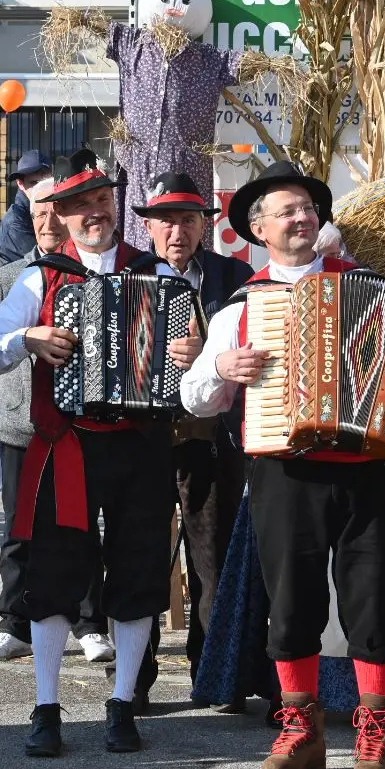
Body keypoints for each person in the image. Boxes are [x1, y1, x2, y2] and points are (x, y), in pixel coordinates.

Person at [180, 162, 385, 769]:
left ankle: (376, 732)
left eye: (307, 209)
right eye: (286, 211)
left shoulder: (370, 287)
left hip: (366, 467)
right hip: (284, 472)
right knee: (291, 604)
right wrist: (223, 368)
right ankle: (302, 730)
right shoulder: (241, 306)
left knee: (371, 600)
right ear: (258, 230)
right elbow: (196, 398)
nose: (300, 218)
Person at [0, 165, 200, 757]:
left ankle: (122, 703)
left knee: (138, 571)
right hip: (66, 442)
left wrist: (193, 352)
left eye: (103, 199)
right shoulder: (40, 277)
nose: (95, 212)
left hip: (140, 443)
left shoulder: (157, 274)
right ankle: (46, 707)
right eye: (81, 204)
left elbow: (196, 365)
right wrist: (29, 339)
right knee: (53, 574)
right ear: (61, 215)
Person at [0, 174, 114, 665]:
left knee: (82, 526)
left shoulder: (99, 272)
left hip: (75, 425)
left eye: (55, 213)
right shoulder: (13, 276)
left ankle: (89, 622)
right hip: (21, 420)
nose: (48, 222)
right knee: (20, 528)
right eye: (39, 214)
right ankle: (14, 621)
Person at [134, 172, 253, 696]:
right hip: (144, 437)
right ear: (149, 227)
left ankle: (214, 674)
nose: (176, 231)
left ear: (205, 225)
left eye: (187, 220)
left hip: (211, 436)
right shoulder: (131, 273)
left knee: (214, 559)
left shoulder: (235, 275)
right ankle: (133, 680)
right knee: (140, 558)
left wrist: (207, 355)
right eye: (165, 221)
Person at [0, 150, 54, 264]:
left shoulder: (52, 209)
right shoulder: (15, 221)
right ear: (20, 183)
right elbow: (41, 262)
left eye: (45, 182)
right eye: (34, 183)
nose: (40, 188)